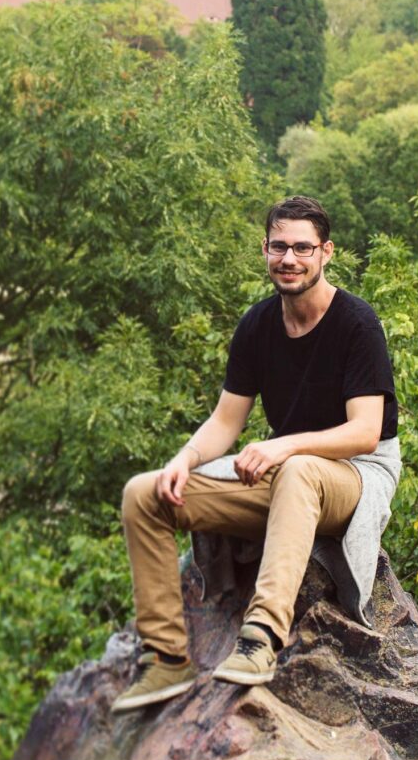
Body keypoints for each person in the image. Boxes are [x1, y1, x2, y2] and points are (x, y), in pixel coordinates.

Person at [112, 195, 400, 713]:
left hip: (356, 476)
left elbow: (364, 432)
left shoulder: (357, 322)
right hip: (288, 475)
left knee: (299, 470)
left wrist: (282, 445)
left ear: (326, 252)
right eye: (279, 247)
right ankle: (166, 659)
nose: (289, 258)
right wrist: (183, 460)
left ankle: (261, 639)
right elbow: (226, 421)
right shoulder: (257, 325)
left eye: (303, 248)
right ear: (265, 249)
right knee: (144, 493)